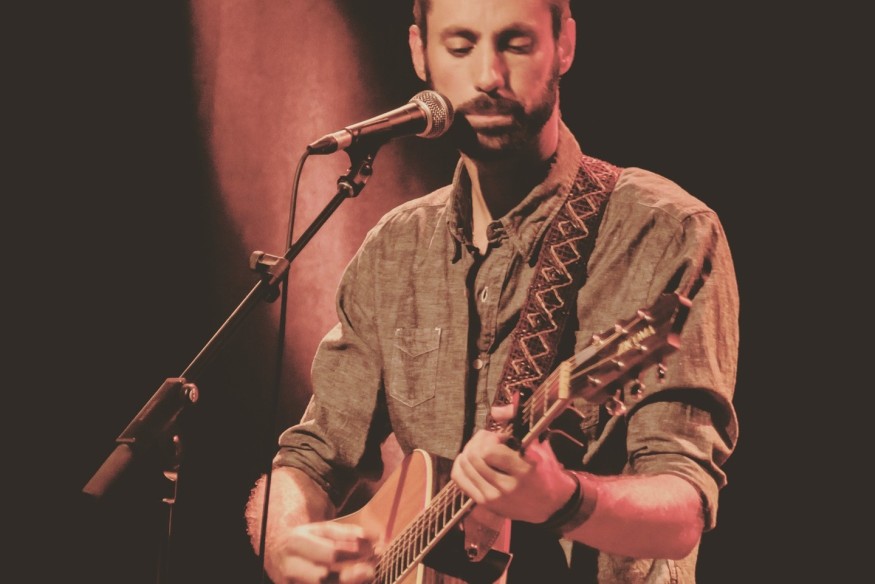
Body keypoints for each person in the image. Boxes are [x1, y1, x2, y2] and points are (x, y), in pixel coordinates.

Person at [244, 0, 739, 582]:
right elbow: (312, 457)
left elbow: (683, 511)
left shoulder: (664, 231)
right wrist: (283, 539)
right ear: (420, 53)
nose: (488, 76)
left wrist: (563, 500)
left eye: (516, 44)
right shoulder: (395, 248)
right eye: (460, 46)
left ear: (564, 44)